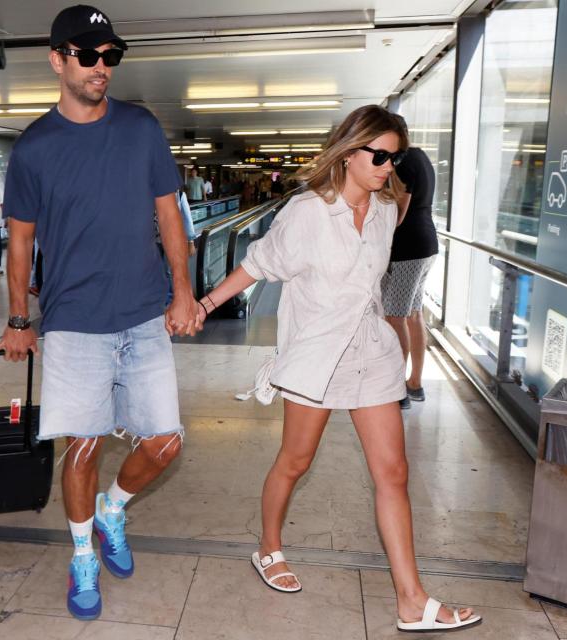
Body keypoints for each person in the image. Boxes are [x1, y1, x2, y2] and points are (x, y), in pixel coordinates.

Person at [196, 105, 480, 633]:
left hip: (370, 351)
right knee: (295, 461)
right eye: (380, 156)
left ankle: (411, 599)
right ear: (350, 153)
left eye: (395, 159)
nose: (388, 168)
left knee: (393, 473)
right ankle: (268, 547)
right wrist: (206, 305)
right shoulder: (307, 212)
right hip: (318, 354)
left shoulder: (385, 210)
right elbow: (257, 264)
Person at [0, 4, 201, 622]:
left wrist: (183, 291)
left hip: (142, 312)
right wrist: (18, 320)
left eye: (110, 56)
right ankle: (83, 554)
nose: (101, 66)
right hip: (74, 319)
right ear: (57, 61)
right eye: (88, 55)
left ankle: (113, 510)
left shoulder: (141, 128)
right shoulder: (35, 148)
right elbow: (20, 242)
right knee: (83, 445)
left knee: (165, 441)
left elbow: (169, 213)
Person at [382, 141, 439, 407]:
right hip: (426, 244)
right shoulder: (421, 157)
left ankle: (398, 390)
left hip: (408, 249)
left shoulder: (403, 162)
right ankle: (414, 383)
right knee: (414, 315)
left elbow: (398, 215)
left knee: (396, 317)